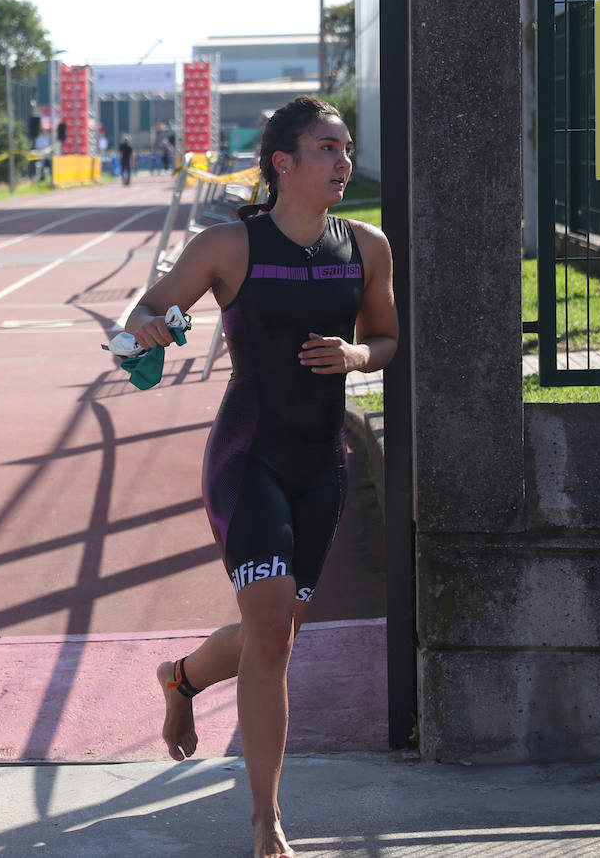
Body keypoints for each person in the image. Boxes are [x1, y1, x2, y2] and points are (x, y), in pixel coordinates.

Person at [123, 96, 398, 858]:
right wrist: (146, 329)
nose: (344, 162)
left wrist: (355, 357)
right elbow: (138, 324)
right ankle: (265, 819)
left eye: (346, 148)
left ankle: (180, 678)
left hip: (322, 465)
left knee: (271, 633)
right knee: (272, 635)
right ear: (283, 163)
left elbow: (385, 339)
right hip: (249, 459)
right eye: (327, 149)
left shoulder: (367, 246)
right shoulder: (228, 246)